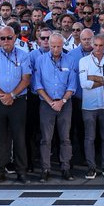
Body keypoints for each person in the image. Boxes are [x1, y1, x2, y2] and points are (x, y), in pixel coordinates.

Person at [0, 25, 32, 184]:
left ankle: (21, 172)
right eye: (1, 38)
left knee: (19, 138)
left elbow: (26, 79)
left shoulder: (24, 55)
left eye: (8, 38)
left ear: (15, 38)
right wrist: (1, 95)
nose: (5, 41)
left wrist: (12, 95)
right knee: (0, 138)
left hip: (17, 101)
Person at [32, 32, 76, 181]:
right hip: (46, 104)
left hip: (65, 103)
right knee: (46, 138)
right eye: (53, 46)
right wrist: (51, 102)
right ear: (48, 45)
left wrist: (62, 101)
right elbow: (37, 85)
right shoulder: (40, 60)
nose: (56, 49)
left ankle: (66, 168)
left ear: (63, 45)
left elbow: (72, 85)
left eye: (58, 46)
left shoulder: (70, 60)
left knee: (65, 138)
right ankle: (45, 169)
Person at [78, 31, 104, 179]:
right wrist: (103, 80)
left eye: (101, 45)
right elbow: (84, 84)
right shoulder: (84, 61)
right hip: (89, 106)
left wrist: (93, 78)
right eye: (96, 45)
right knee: (90, 138)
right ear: (91, 45)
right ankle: (91, 167)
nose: (98, 48)